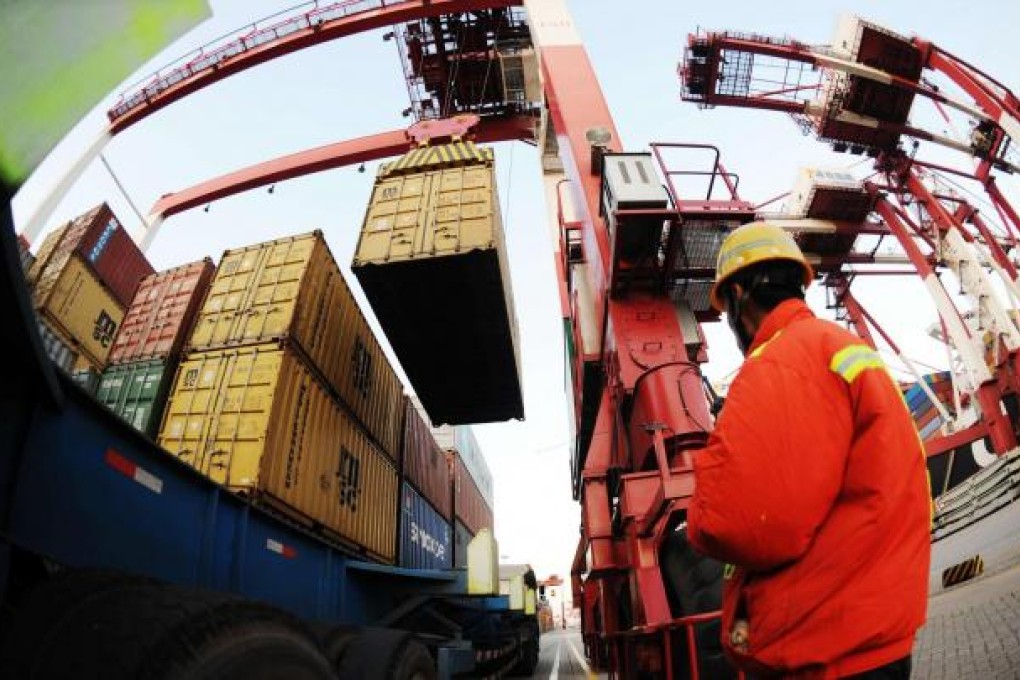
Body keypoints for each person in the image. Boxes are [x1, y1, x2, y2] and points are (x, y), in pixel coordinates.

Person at [685, 222, 931, 679]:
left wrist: (695, 522)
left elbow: (739, 522)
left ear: (739, 295)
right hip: (878, 633)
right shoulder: (843, 347)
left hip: (825, 650)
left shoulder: (777, 363)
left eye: (728, 309)